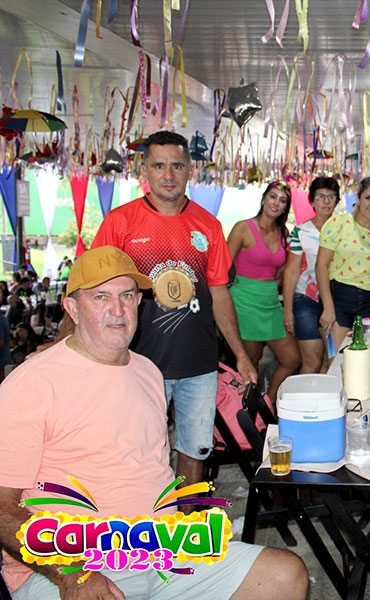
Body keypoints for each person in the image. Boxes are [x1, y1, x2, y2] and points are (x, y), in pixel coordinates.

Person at [0, 246, 308, 600]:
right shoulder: (32, 384)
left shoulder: (147, 372)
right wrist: (72, 574)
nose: (118, 310)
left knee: (286, 576)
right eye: (101, 297)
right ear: (72, 308)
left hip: (160, 551)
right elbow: (3, 507)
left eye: (127, 295)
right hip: (68, 566)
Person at [93, 130, 258, 492]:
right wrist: (67, 346)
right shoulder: (119, 223)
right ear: (145, 171)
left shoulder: (208, 226)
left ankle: (183, 522)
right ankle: (143, 520)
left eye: (177, 166)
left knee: (195, 451)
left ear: (189, 170)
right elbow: (92, 290)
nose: (168, 174)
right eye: (159, 166)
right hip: (138, 362)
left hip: (199, 363)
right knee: (138, 451)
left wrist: (241, 354)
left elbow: (220, 294)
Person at [226, 180, 301, 400]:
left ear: (286, 207)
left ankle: (268, 401)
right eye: (273, 196)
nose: (276, 203)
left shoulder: (283, 233)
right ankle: (245, 412)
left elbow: (283, 272)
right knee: (251, 362)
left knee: (292, 359)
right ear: (264, 198)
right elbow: (223, 266)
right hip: (244, 301)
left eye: (282, 200)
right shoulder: (243, 227)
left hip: (271, 302)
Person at [317, 176, 370, 349]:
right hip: (338, 299)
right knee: (333, 357)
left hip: (369, 305)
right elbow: (321, 266)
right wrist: (328, 307)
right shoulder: (339, 223)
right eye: (368, 198)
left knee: (363, 357)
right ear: (358, 198)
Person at [283, 176, 339, 374]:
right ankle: (302, 395)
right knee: (312, 361)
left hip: (334, 301)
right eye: (320, 196)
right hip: (305, 301)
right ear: (312, 200)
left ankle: (325, 395)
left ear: (337, 201)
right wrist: (288, 311)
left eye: (331, 197)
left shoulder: (343, 230)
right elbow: (291, 271)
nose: (326, 201)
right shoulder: (300, 231)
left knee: (331, 360)